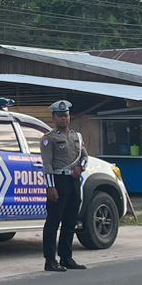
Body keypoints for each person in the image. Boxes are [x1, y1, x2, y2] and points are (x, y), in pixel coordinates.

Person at [40, 100, 88, 272]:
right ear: (53, 117)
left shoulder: (77, 137)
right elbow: (47, 165)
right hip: (58, 181)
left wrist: (81, 167)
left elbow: (84, 156)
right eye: (60, 116)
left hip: (73, 181)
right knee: (53, 222)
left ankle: (66, 257)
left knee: (70, 221)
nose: (63, 118)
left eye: (66, 115)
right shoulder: (49, 139)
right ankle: (50, 260)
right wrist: (50, 187)